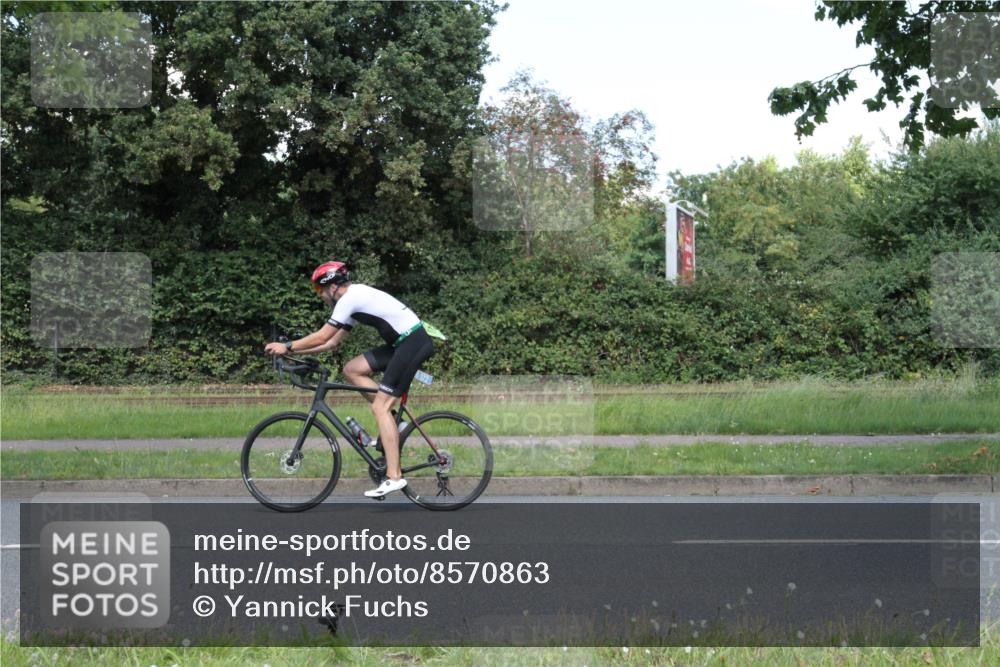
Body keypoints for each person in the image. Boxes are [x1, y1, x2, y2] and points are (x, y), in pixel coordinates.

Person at [264, 261, 435, 498]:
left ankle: (394, 476)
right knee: (352, 369)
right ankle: (394, 421)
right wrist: (294, 352)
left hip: (412, 343)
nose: (320, 295)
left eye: (319, 289)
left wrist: (288, 345)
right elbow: (331, 343)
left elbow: (322, 335)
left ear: (332, 286)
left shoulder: (349, 299)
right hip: (402, 344)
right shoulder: (353, 302)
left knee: (380, 407)